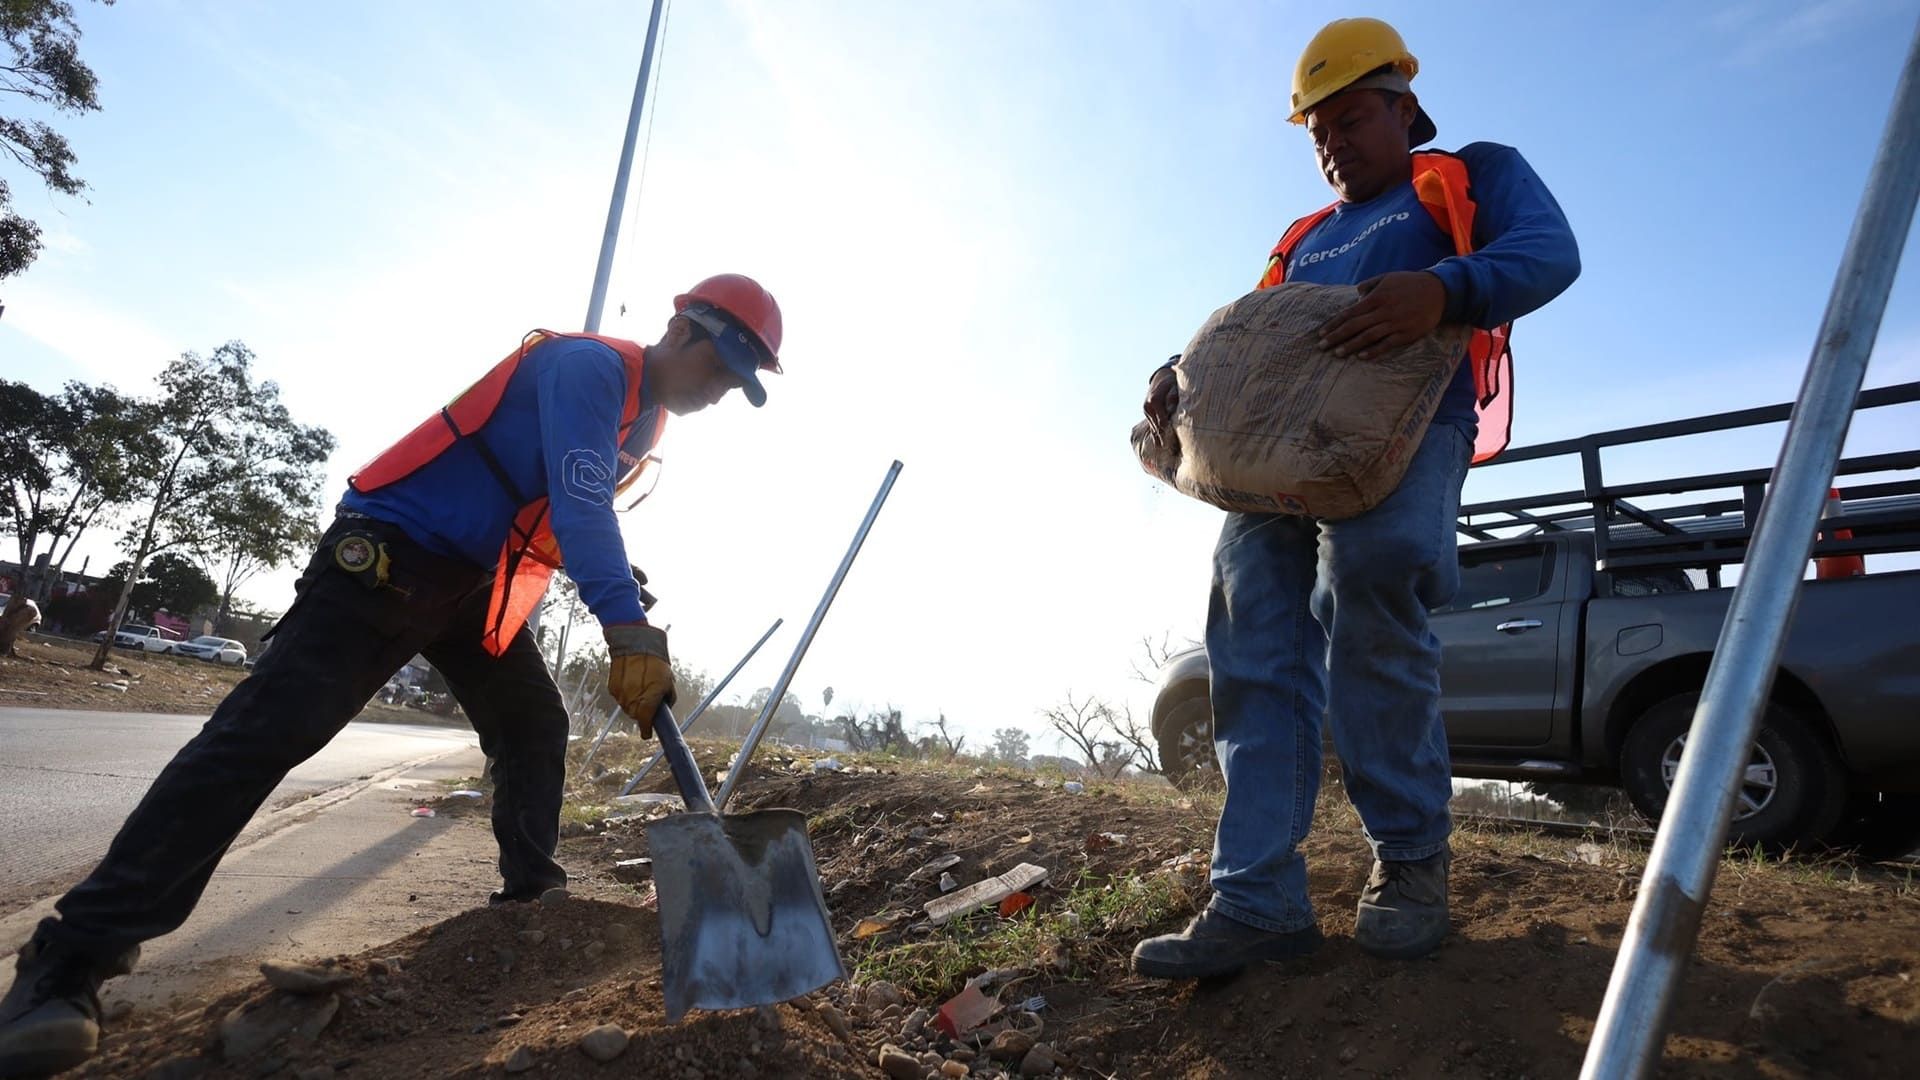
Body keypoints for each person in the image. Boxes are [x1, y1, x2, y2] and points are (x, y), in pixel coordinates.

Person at [0, 273, 785, 1075]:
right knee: (262, 737)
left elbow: (562, 505)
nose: (721, 390)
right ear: (681, 331)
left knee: (533, 723)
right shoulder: (591, 369)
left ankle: (531, 906)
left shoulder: (646, 418)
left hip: (469, 584)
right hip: (388, 558)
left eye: (737, 383)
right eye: (720, 367)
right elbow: (582, 506)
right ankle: (67, 964)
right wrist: (624, 625)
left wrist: (620, 576)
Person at [1132, 18, 1580, 979]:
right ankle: (1256, 899)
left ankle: (1411, 861)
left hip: (1413, 430)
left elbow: (1551, 252)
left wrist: (1448, 289)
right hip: (1284, 450)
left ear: (1406, 108)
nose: (1334, 141)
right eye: (1318, 130)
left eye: (1352, 117)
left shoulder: (1466, 176)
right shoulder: (1303, 240)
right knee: (1252, 630)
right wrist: (1181, 378)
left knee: (1371, 584)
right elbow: (1253, 342)